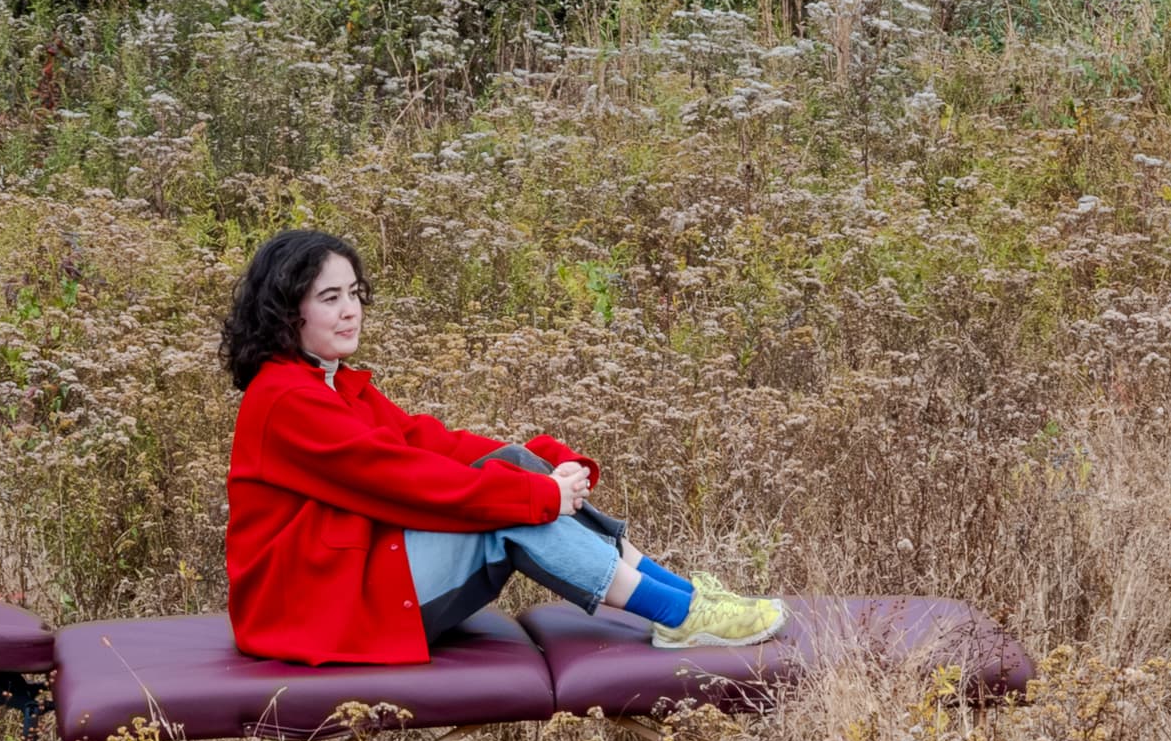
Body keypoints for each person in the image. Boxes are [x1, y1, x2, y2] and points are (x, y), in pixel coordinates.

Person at [218, 228, 783, 666]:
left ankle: (684, 600)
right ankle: (678, 612)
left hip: (346, 575)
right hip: (314, 608)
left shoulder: (325, 380)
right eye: (330, 298)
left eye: (355, 294)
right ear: (288, 311)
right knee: (512, 516)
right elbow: (402, 479)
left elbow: (425, 441)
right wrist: (540, 494)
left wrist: (542, 460)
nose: (351, 310)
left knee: (512, 475)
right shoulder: (287, 401)